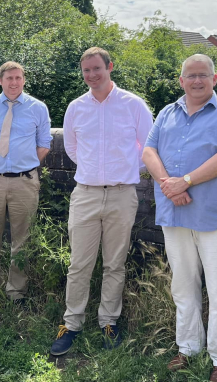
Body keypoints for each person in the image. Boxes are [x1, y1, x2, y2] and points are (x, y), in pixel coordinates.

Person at [142, 54, 217, 382]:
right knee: (183, 285)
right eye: (191, 75)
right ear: (181, 80)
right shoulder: (166, 113)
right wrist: (169, 186)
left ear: (214, 79)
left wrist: (184, 182)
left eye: (204, 75)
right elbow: (149, 151)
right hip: (175, 213)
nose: (197, 81)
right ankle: (187, 347)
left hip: (214, 215)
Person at [50, 47, 153, 355]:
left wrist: (123, 170)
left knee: (114, 264)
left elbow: (148, 147)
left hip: (122, 194)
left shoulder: (133, 105)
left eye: (97, 68)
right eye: (86, 70)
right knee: (79, 264)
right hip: (86, 194)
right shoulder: (76, 107)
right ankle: (71, 323)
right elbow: (72, 147)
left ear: (110, 67)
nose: (92, 75)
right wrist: (95, 170)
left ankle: (109, 322)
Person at [0, 61, 52, 303]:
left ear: (24, 80)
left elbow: (44, 145)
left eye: (18, 78)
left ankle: (16, 292)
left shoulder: (38, 108)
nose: (14, 83)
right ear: (0, 81)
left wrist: (24, 164)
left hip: (24, 182)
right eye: (9, 78)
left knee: (22, 239)